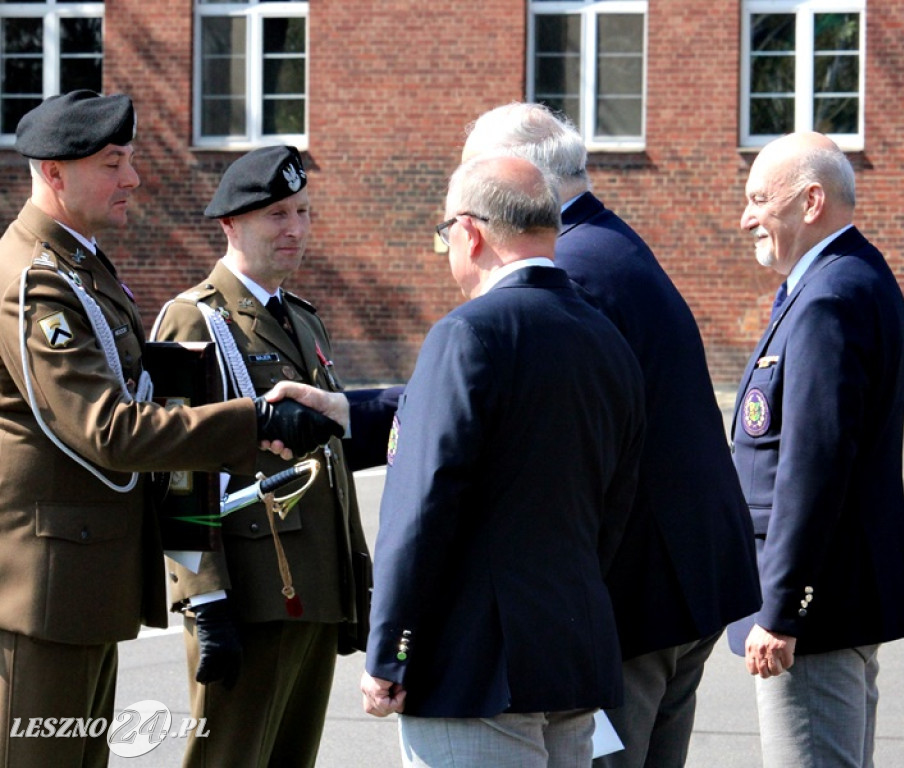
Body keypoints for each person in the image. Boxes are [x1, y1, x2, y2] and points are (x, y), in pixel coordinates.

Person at [0, 91, 341, 767]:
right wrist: (254, 420)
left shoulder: (81, 268)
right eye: (113, 163)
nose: (132, 178)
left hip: (81, 584)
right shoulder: (35, 281)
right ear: (54, 173)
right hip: (46, 590)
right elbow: (107, 429)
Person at [462, 103, 761, 767]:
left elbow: (516, 422)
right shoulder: (607, 242)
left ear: (522, 183)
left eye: (476, 181)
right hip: (684, 577)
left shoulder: (567, 268)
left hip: (636, 590)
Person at [360, 153, 646, 768]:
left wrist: (391, 652)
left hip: (475, 667)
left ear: (470, 232)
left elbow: (421, 509)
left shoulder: (468, 333)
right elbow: (616, 504)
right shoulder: (606, 337)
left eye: (446, 234)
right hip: (572, 653)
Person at [149, 144, 387, 767]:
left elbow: (330, 457)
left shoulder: (303, 319)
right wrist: (204, 598)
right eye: (277, 214)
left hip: (312, 585)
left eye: (303, 212)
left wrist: (353, 577)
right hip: (248, 593)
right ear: (231, 223)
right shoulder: (194, 319)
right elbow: (175, 472)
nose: (295, 229)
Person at [727, 131, 904, 767]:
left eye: (760, 199)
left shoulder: (829, 299)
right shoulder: (845, 278)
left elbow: (813, 467)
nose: (746, 218)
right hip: (836, 597)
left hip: (816, 614)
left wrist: (783, 610)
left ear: (810, 201)